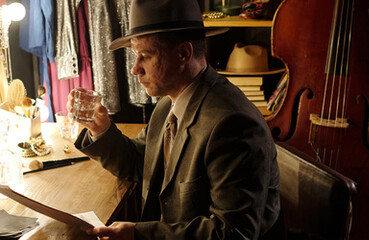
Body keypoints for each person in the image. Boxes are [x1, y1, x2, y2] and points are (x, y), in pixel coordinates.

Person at [68, 0, 281, 239]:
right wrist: (101, 129)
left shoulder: (232, 124)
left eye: (145, 56)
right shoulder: (169, 103)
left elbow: (233, 232)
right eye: (135, 56)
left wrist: (139, 235)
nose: (135, 68)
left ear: (183, 54)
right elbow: (141, 162)